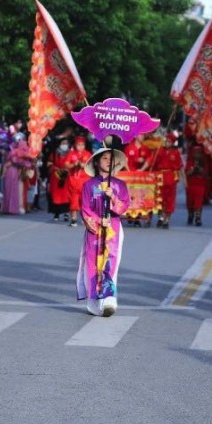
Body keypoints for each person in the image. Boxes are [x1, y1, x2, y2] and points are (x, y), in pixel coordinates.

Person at [77, 136, 130, 317]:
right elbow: (85, 209)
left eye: (110, 158)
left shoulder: (120, 185)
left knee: (111, 262)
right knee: (93, 264)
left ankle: (109, 300)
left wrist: (113, 198)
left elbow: (124, 206)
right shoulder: (88, 185)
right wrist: (99, 221)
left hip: (113, 230)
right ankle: (93, 302)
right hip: (94, 231)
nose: (108, 161)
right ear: (97, 162)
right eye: (104, 158)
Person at [153, 132, 183, 229]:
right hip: (160, 177)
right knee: (159, 197)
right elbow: (153, 162)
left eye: (169, 141)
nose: (167, 143)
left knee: (170, 199)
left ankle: (167, 219)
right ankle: (161, 217)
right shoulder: (159, 151)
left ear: (172, 143)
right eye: (166, 141)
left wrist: (183, 179)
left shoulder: (176, 153)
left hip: (170, 177)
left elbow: (179, 167)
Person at [1, 136, 33, 215]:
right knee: (13, 189)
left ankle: (9, 208)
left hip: (13, 171)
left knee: (10, 189)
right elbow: (16, 161)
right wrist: (26, 163)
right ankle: (13, 208)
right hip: (14, 171)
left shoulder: (13, 151)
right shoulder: (15, 152)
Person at [66, 136, 92, 227]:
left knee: (85, 200)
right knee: (73, 200)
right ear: (75, 145)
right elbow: (66, 165)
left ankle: (85, 218)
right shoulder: (71, 154)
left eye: (82, 145)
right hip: (73, 180)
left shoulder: (88, 154)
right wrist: (73, 165)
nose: (80, 146)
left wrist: (83, 165)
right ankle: (73, 219)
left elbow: (91, 166)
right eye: (78, 145)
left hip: (84, 180)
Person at [184, 139, 211, 227]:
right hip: (190, 185)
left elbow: (206, 174)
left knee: (198, 202)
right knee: (190, 202)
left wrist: (200, 169)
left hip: (200, 185)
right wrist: (192, 170)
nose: (197, 155)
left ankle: (198, 218)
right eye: (195, 153)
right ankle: (190, 215)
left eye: (199, 153)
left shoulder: (204, 163)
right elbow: (186, 173)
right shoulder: (189, 162)